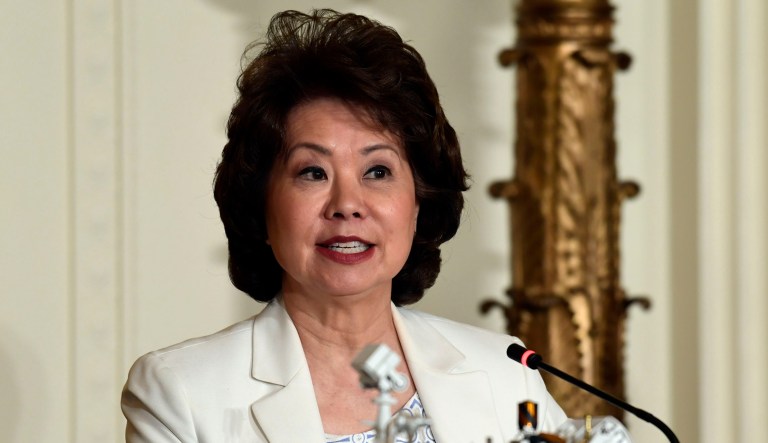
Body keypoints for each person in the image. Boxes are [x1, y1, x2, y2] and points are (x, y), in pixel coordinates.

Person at [121, 8, 567, 443]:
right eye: (312, 172)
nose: (347, 205)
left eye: (377, 171)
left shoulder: (507, 376)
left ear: (418, 202)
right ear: (261, 204)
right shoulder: (181, 393)